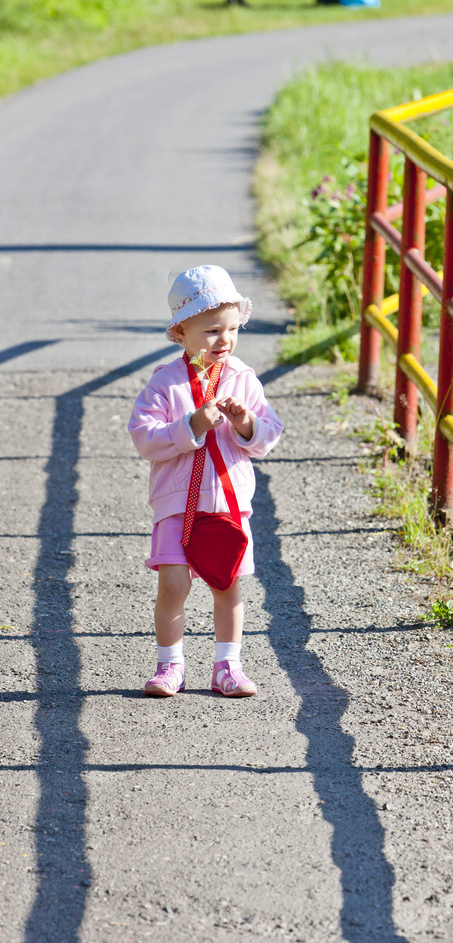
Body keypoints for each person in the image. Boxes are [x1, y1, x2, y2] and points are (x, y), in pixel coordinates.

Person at [129, 265, 283, 699]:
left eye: (233, 329)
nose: (225, 341)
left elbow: (269, 434)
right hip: (177, 503)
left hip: (227, 502)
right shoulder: (165, 383)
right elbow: (145, 437)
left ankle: (227, 665)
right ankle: (169, 665)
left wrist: (245, 423)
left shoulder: (242, 378)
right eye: (213, 330)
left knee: (227, 584)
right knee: (174, 584)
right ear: (181, 331)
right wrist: (190, 425)